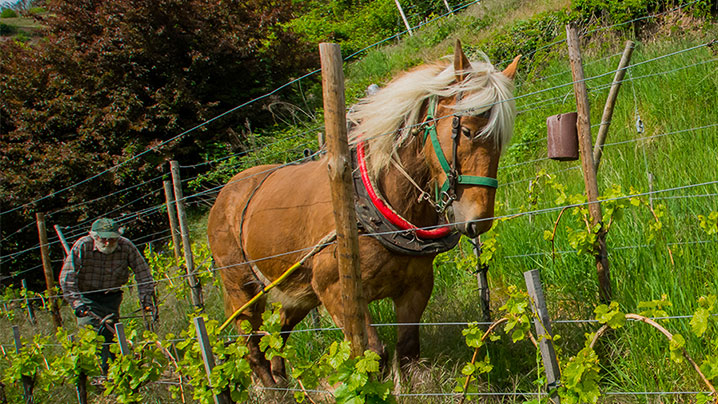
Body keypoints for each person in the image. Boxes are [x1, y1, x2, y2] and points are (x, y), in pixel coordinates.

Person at [60, 218, 156, 373]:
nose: (107, 243)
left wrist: (145, 300)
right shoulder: (83, 246)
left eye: (112, 239)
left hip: (112, 297)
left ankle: (113, 374)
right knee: (92, 334)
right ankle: (98, 374)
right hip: (87, 297)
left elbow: (143, 273)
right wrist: (77, 303)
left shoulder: (126, 246)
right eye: (103, 239)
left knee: (111, 335)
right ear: (94, 236)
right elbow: (67, 278)